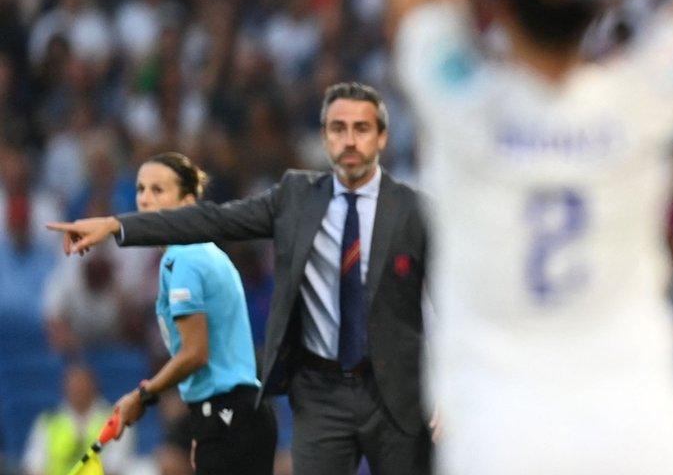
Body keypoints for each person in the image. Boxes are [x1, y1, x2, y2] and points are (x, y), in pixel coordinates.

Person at [381, 0, 673, 474]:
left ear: (499, 2)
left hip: (498, 428)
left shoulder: (459, 98)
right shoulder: (644, 97)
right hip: (641, 424)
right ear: (603, 2)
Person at [48, 83, 431, 475]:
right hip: (321, 393)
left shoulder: (415, 212)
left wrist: (446, 393)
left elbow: (448, 301)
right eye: (338, 128)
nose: (349, 140)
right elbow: (214, 218)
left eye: (362, 128)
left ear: (382, 137)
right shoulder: (295, 197)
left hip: (394, 392)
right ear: (325, 137)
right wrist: (116, 226)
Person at [96, 152, 277, 473]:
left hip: (230, 415)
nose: (145, 199)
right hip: (229, 416)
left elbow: (195, 353)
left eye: (158, 190)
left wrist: (142, 396)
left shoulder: (187, 259)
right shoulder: (194, 254)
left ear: (188, 203)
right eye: (140, 189)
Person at [22, 364, 135, 475]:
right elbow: (34, 466)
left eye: (82, 385)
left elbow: (116, 467)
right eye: (73, 385)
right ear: (64, 388)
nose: (78, 390)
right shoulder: (47, 422)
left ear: (94, 386)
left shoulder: (116, 420)